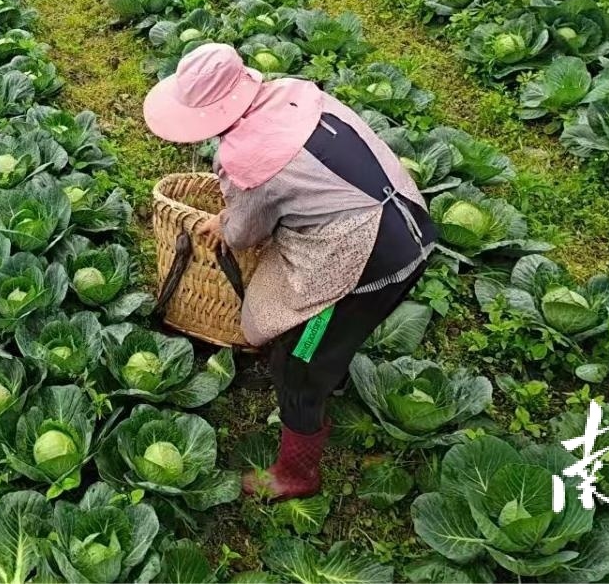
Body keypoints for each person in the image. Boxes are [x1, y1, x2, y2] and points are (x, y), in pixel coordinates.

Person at [143, 43, 434, 501]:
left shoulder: (252, 162)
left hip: (368, 261)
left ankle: (297, 473)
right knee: (330, 337)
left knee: (299, 362)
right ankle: (331, 368)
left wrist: (225, 221)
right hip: (412, 223)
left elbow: (242, 234)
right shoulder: (296, 97)